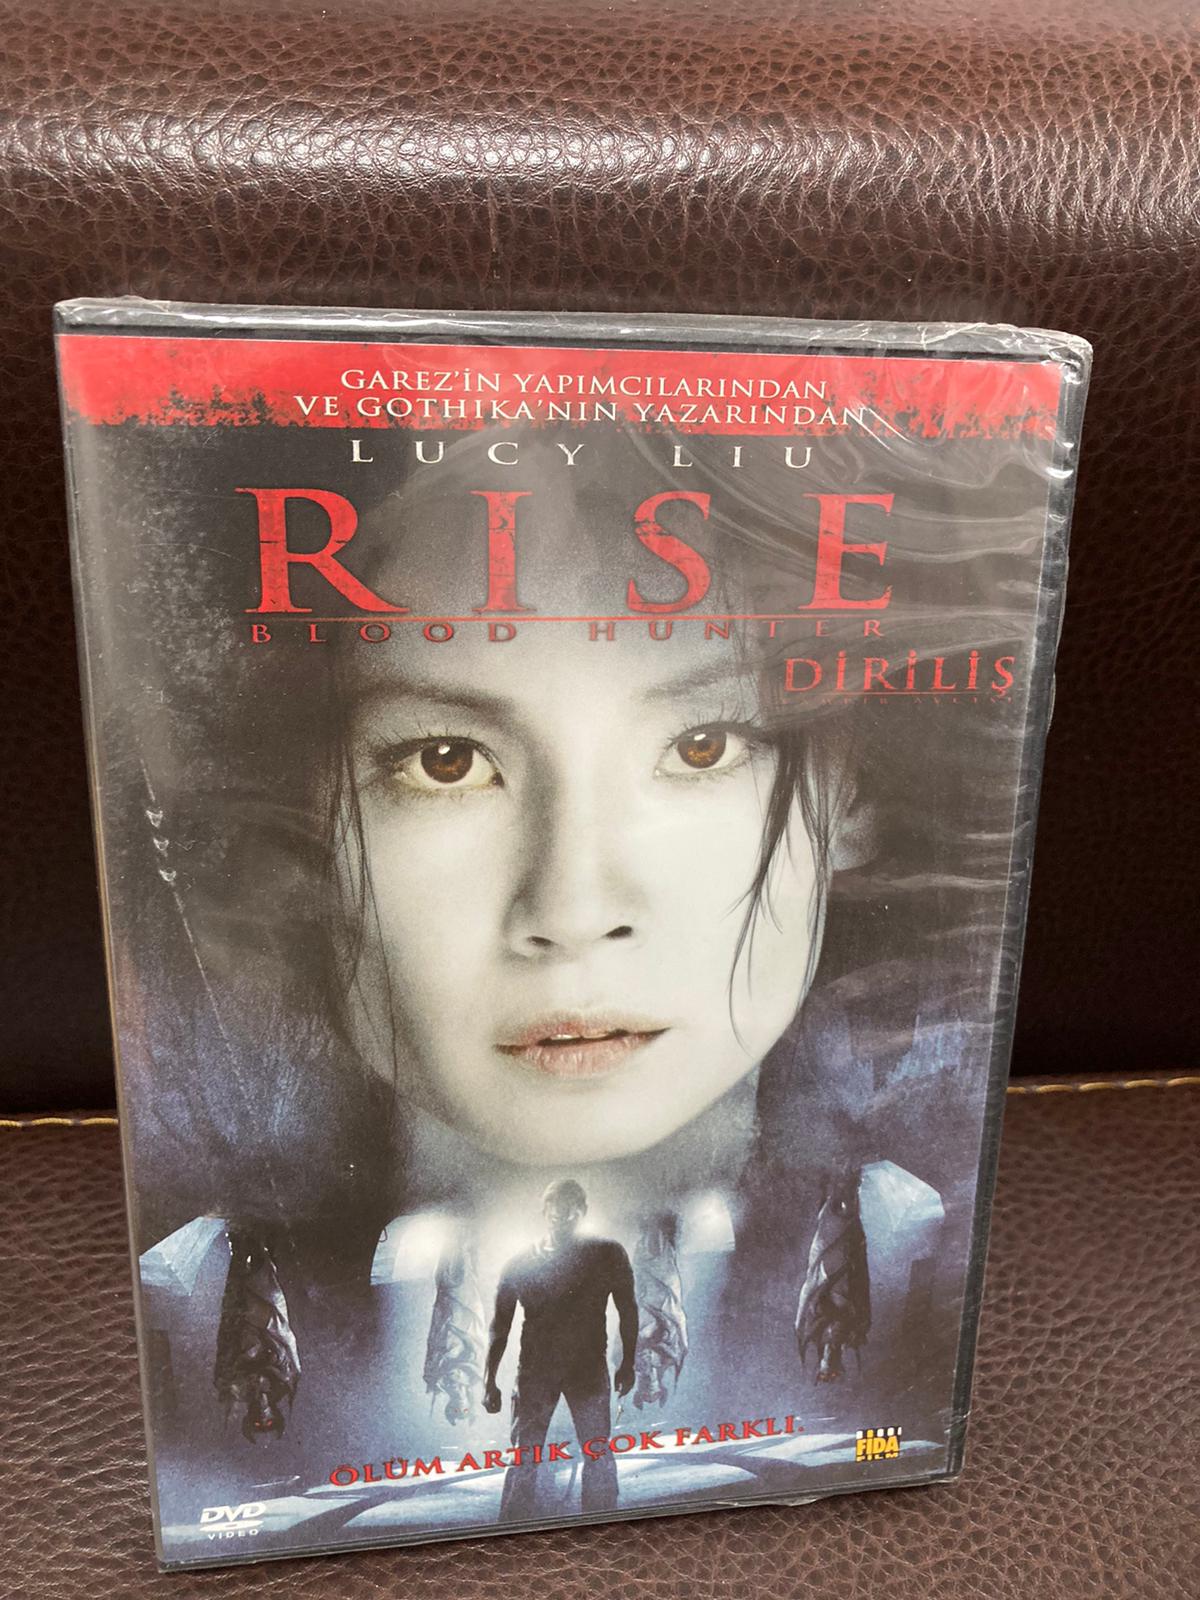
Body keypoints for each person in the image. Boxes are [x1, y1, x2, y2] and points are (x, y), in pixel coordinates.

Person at [483, 1179, 637, 1519]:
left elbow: (628, 1309)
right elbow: (500, 1324)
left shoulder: (606, 1254)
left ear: (582, 1210)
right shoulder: (522, 1262)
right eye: (555, 1206)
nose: (562, 1213)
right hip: (537, 1371)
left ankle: (602, 1525)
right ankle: (512, 1529)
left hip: (586, 1369)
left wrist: (628, 1363)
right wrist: (488, 1379)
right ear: (545, 1211)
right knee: (525, 1455)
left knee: (596, 1452)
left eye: (570, 1206)